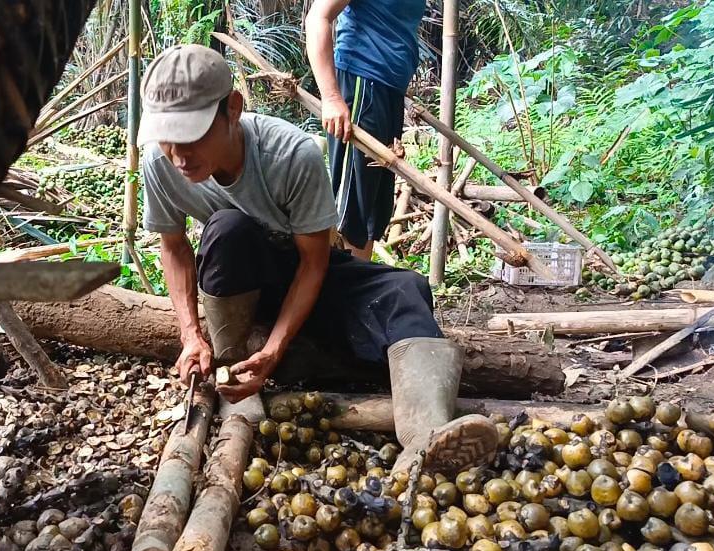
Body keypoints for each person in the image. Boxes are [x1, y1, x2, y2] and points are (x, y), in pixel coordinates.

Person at [137, 44, 496, 475]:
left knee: (405, 289)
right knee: (227, 230)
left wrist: (274, 349)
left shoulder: (289, 154)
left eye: (192, 134)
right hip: (240, 284)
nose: (179, 154)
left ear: (232, 109)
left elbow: (313, 263)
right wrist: (192, 335)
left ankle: (425, 437)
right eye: (167, 136)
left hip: (302, 271)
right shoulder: (160, 164)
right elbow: (175, 247)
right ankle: (236, 380)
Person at [305, 0, 426, 261]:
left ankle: (358, 295)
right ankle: (332, 296)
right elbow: (317, 18)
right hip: (362, 85)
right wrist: (331, 98)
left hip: (388, 91)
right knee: (350, 212)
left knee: (371, 214)